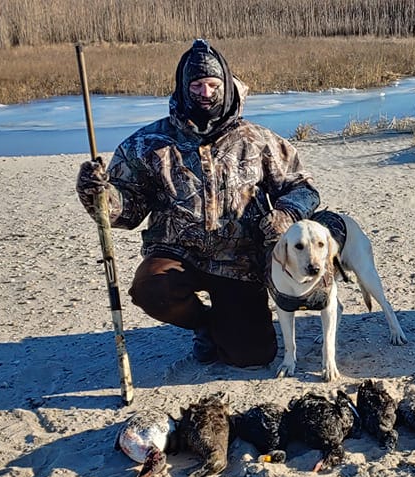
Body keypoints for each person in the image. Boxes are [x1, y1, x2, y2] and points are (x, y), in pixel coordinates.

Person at [76, 39, 319, 365]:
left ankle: (226, 324)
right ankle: (202, 324)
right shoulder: (147, 144)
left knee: (252, 356)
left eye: (213, 85)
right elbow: (127, 212)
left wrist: (286, 214)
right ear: (183, 88)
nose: (205, 93)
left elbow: (303, 188)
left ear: (227, 87)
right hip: (177, 254)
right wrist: (99, 195)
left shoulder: (258, 140)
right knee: (151, 289)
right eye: (197, 85)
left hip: (239, 262)